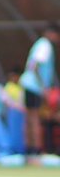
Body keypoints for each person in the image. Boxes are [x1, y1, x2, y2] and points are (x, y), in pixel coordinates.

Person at [20, 23, 59, 158]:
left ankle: (29, 149)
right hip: (34, 86)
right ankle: (36, 149)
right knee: (35, 117)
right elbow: (35, 66)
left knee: (30, 117)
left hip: (28, 84)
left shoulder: (39, 44)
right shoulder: (45, 46)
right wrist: (43, 87)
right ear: (52, 33)